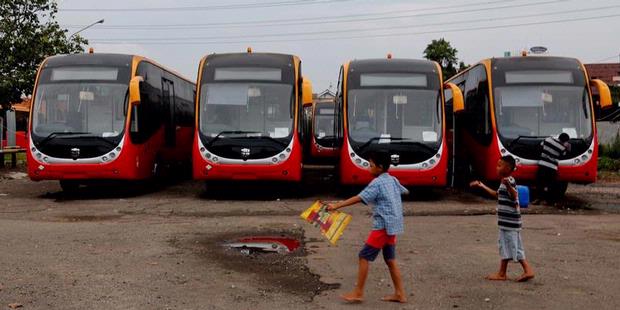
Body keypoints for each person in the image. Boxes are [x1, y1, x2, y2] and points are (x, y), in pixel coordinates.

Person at [326, 152, 409, 303]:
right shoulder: (392, 179)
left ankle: (358, 292)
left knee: (364, 256)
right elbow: (404, 190)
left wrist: (337, 205)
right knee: (390, 259)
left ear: (380, 167)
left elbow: (359, 197)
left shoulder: (377, 183)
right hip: (394, 225)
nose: (368, 168)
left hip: (383, 226)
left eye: (371, 165)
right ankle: (400, 294)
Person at [470, 155, 535, 282]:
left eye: (499, 165)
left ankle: (527, 270)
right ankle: (502, 273)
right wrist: (482, 185)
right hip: (508, 222)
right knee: (507, 245)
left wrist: (509, 186)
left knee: (511, 246)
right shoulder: (505, 181)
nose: (497, 168)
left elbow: (514, 195)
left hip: (510, 222)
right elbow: (497, 194)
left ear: (508, 168)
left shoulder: (509, 181)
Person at [534, 133, 570, 204]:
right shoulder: (562, 148)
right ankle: (549, 201)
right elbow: (563, 156)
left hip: (542, 164)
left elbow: (540, 146)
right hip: (552, 168)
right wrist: (567, 148)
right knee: (551, 185)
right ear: (565, 141)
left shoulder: (548, 139)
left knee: (540, 183)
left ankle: (538, 199)